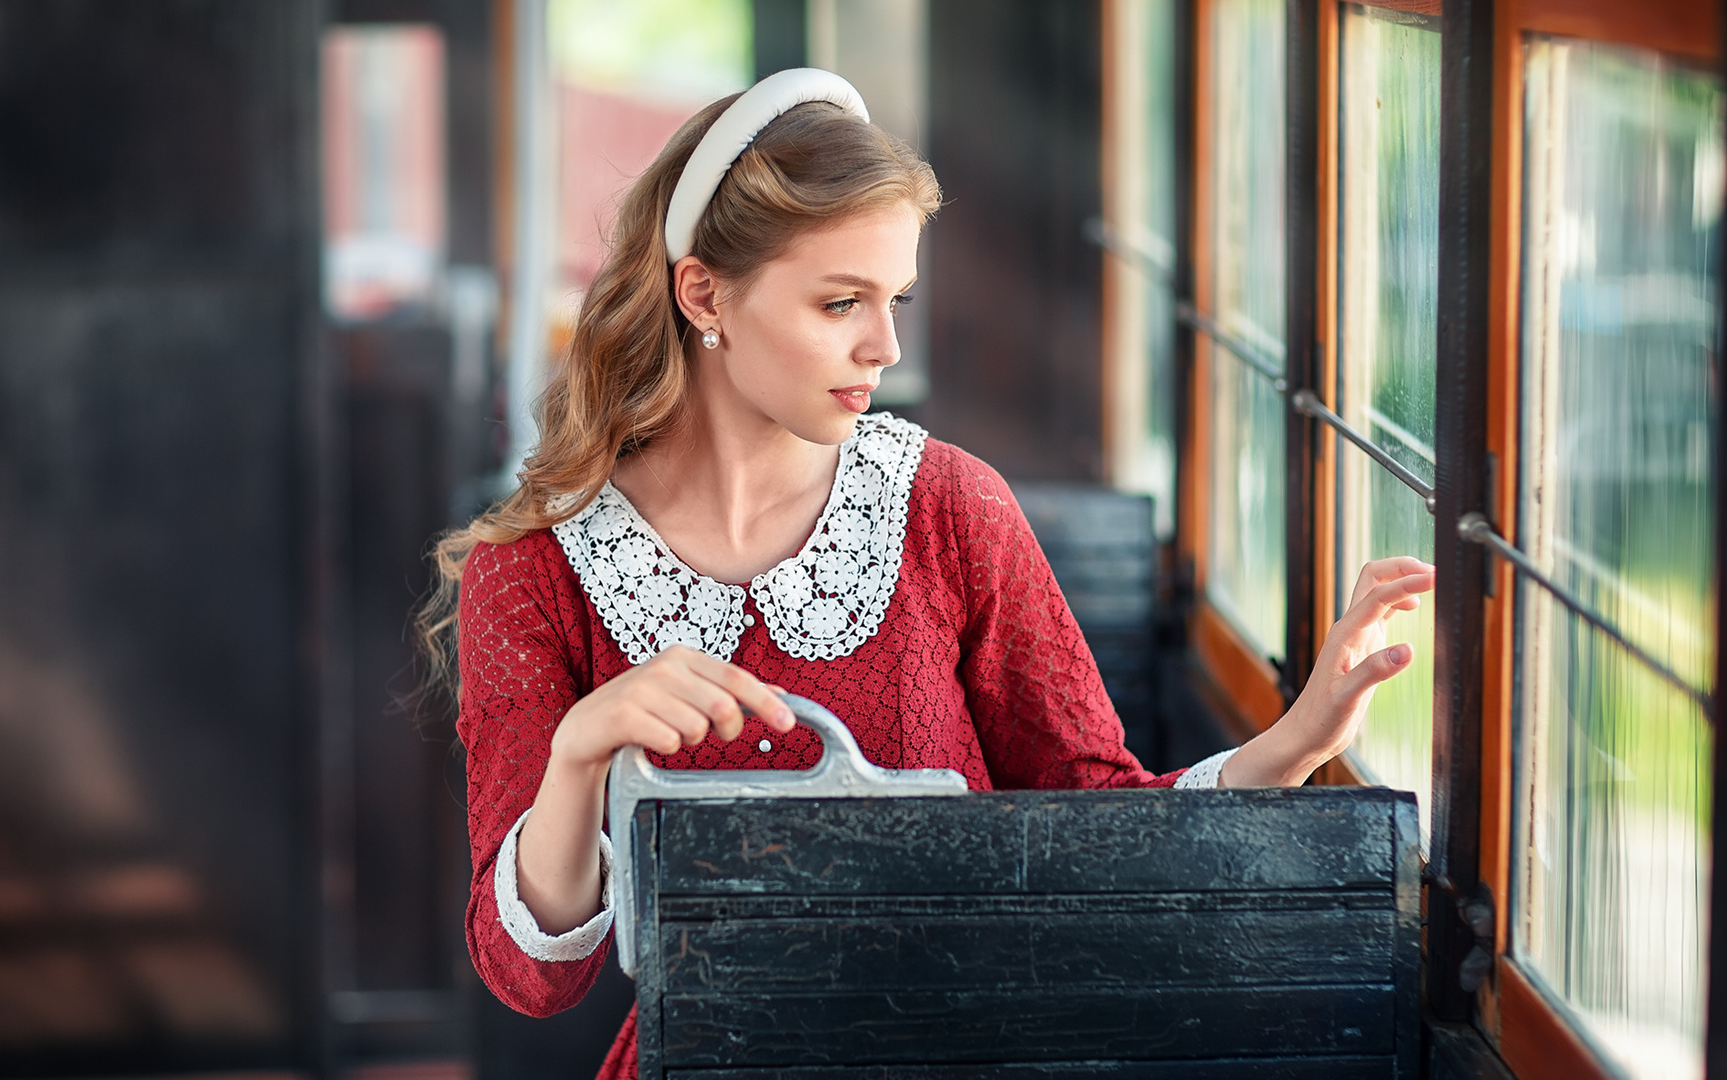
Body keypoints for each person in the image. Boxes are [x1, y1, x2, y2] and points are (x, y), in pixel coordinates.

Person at [416, 69, 1434, 1080]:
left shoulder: (949, 505)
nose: (884, 345)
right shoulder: (533, 571)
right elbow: (530, 977)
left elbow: (1104, 826)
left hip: (969, 1055)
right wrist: (577, 757)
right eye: (840, 302)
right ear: (703, 292)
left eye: (894, 298)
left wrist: (1297, 738)